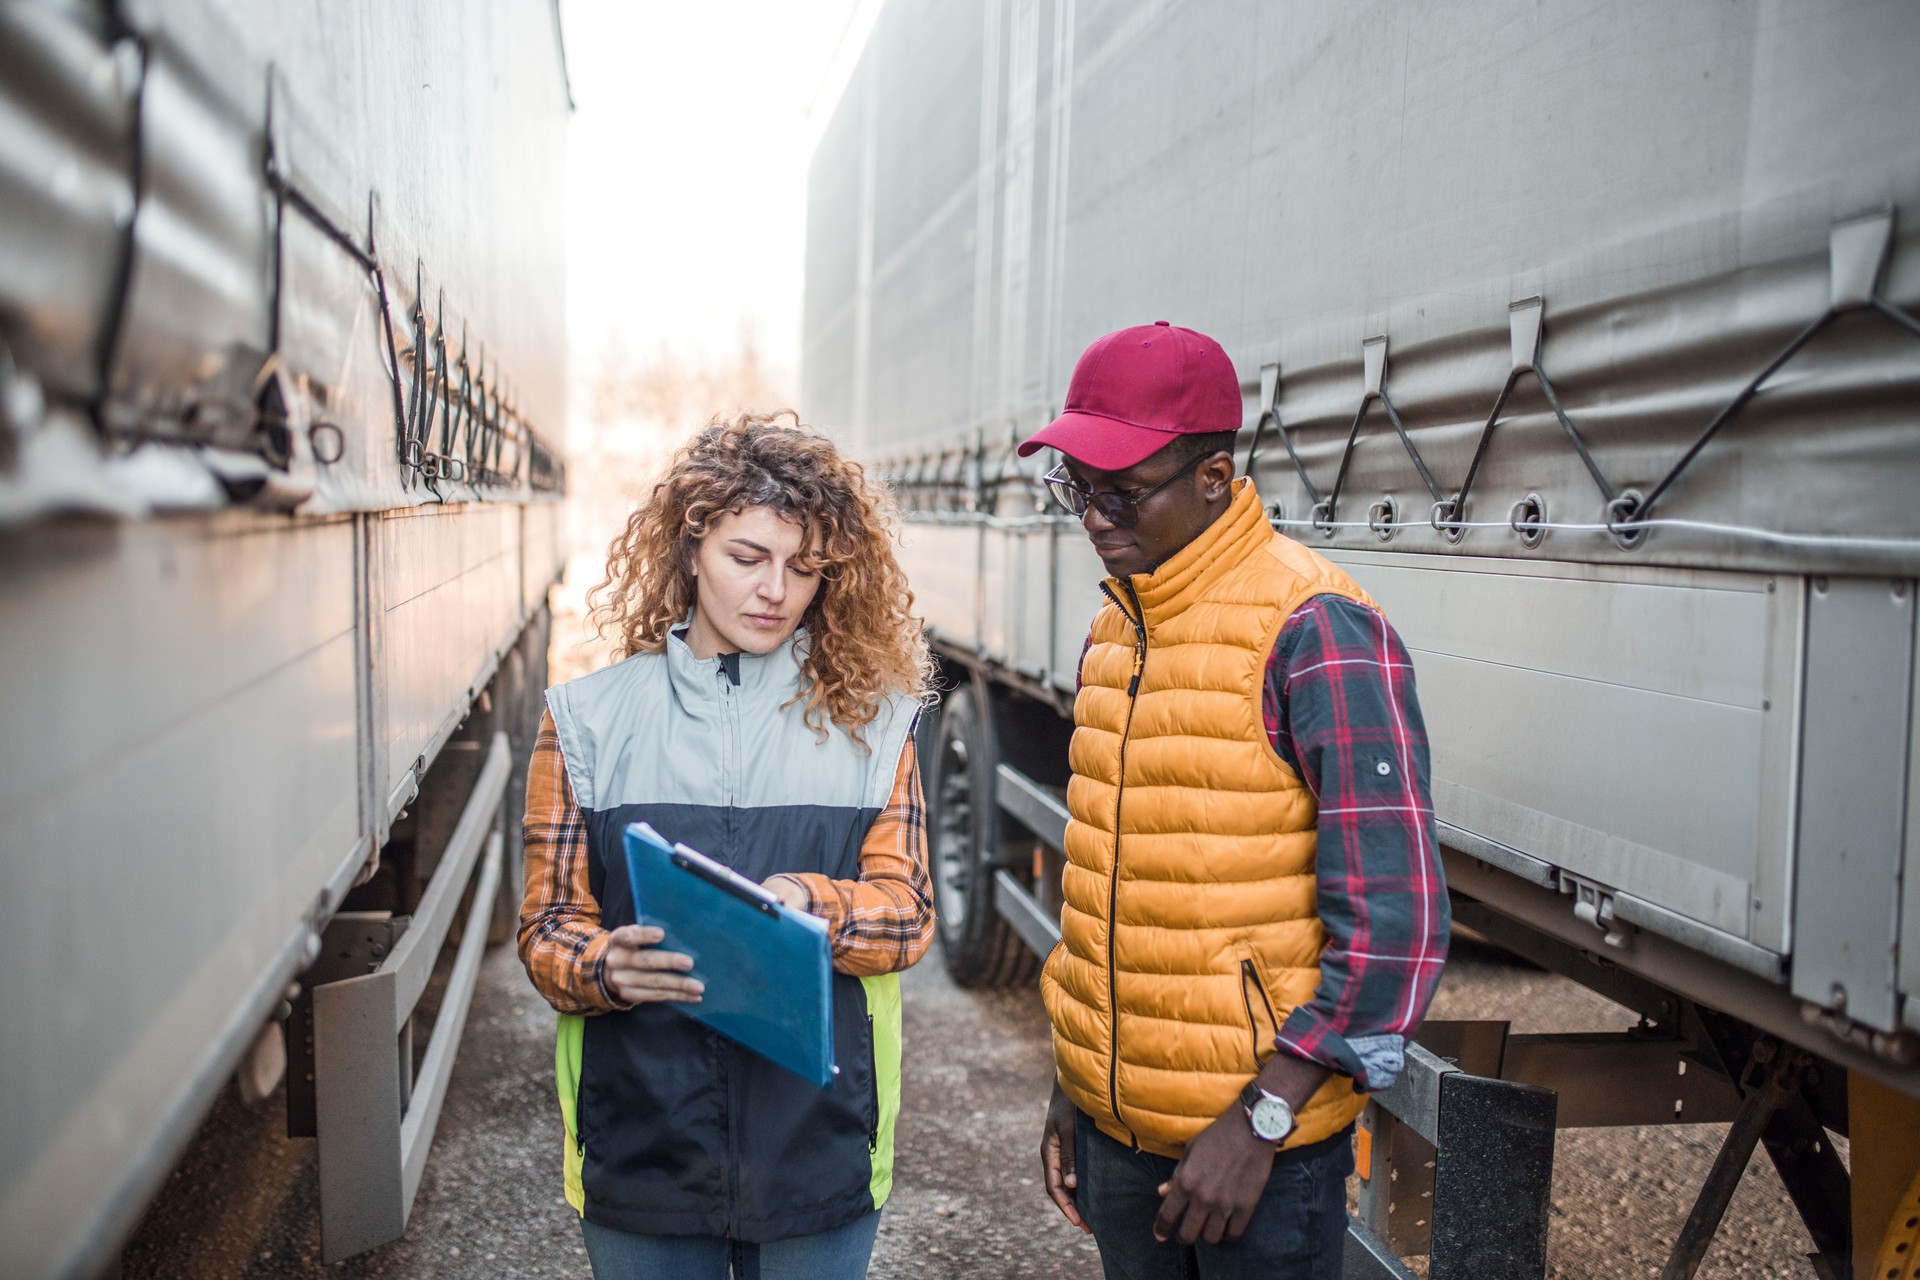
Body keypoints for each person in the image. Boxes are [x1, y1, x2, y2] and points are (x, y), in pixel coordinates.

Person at [1023, 322, 1450, 1279]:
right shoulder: (1117, 624)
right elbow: (1105, 882)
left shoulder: (1315, 629)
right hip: (1117, 1134)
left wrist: (1262, 1119)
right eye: (1074, 488)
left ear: (1216, 476)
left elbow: (1398, 927)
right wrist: (1078, 1083)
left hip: (1258, 1158)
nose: (1092, 515)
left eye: (1121, 491)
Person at [517, 412, 935, 1280]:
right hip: (642, 1143)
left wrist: (807, 904)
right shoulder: (585, 721)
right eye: (748, 558)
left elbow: (910, 917)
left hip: (818, 1144)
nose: (775, 590)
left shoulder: (877, 724)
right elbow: (547, 924)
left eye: (804, 567)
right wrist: (602, 967)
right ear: (690, 545)